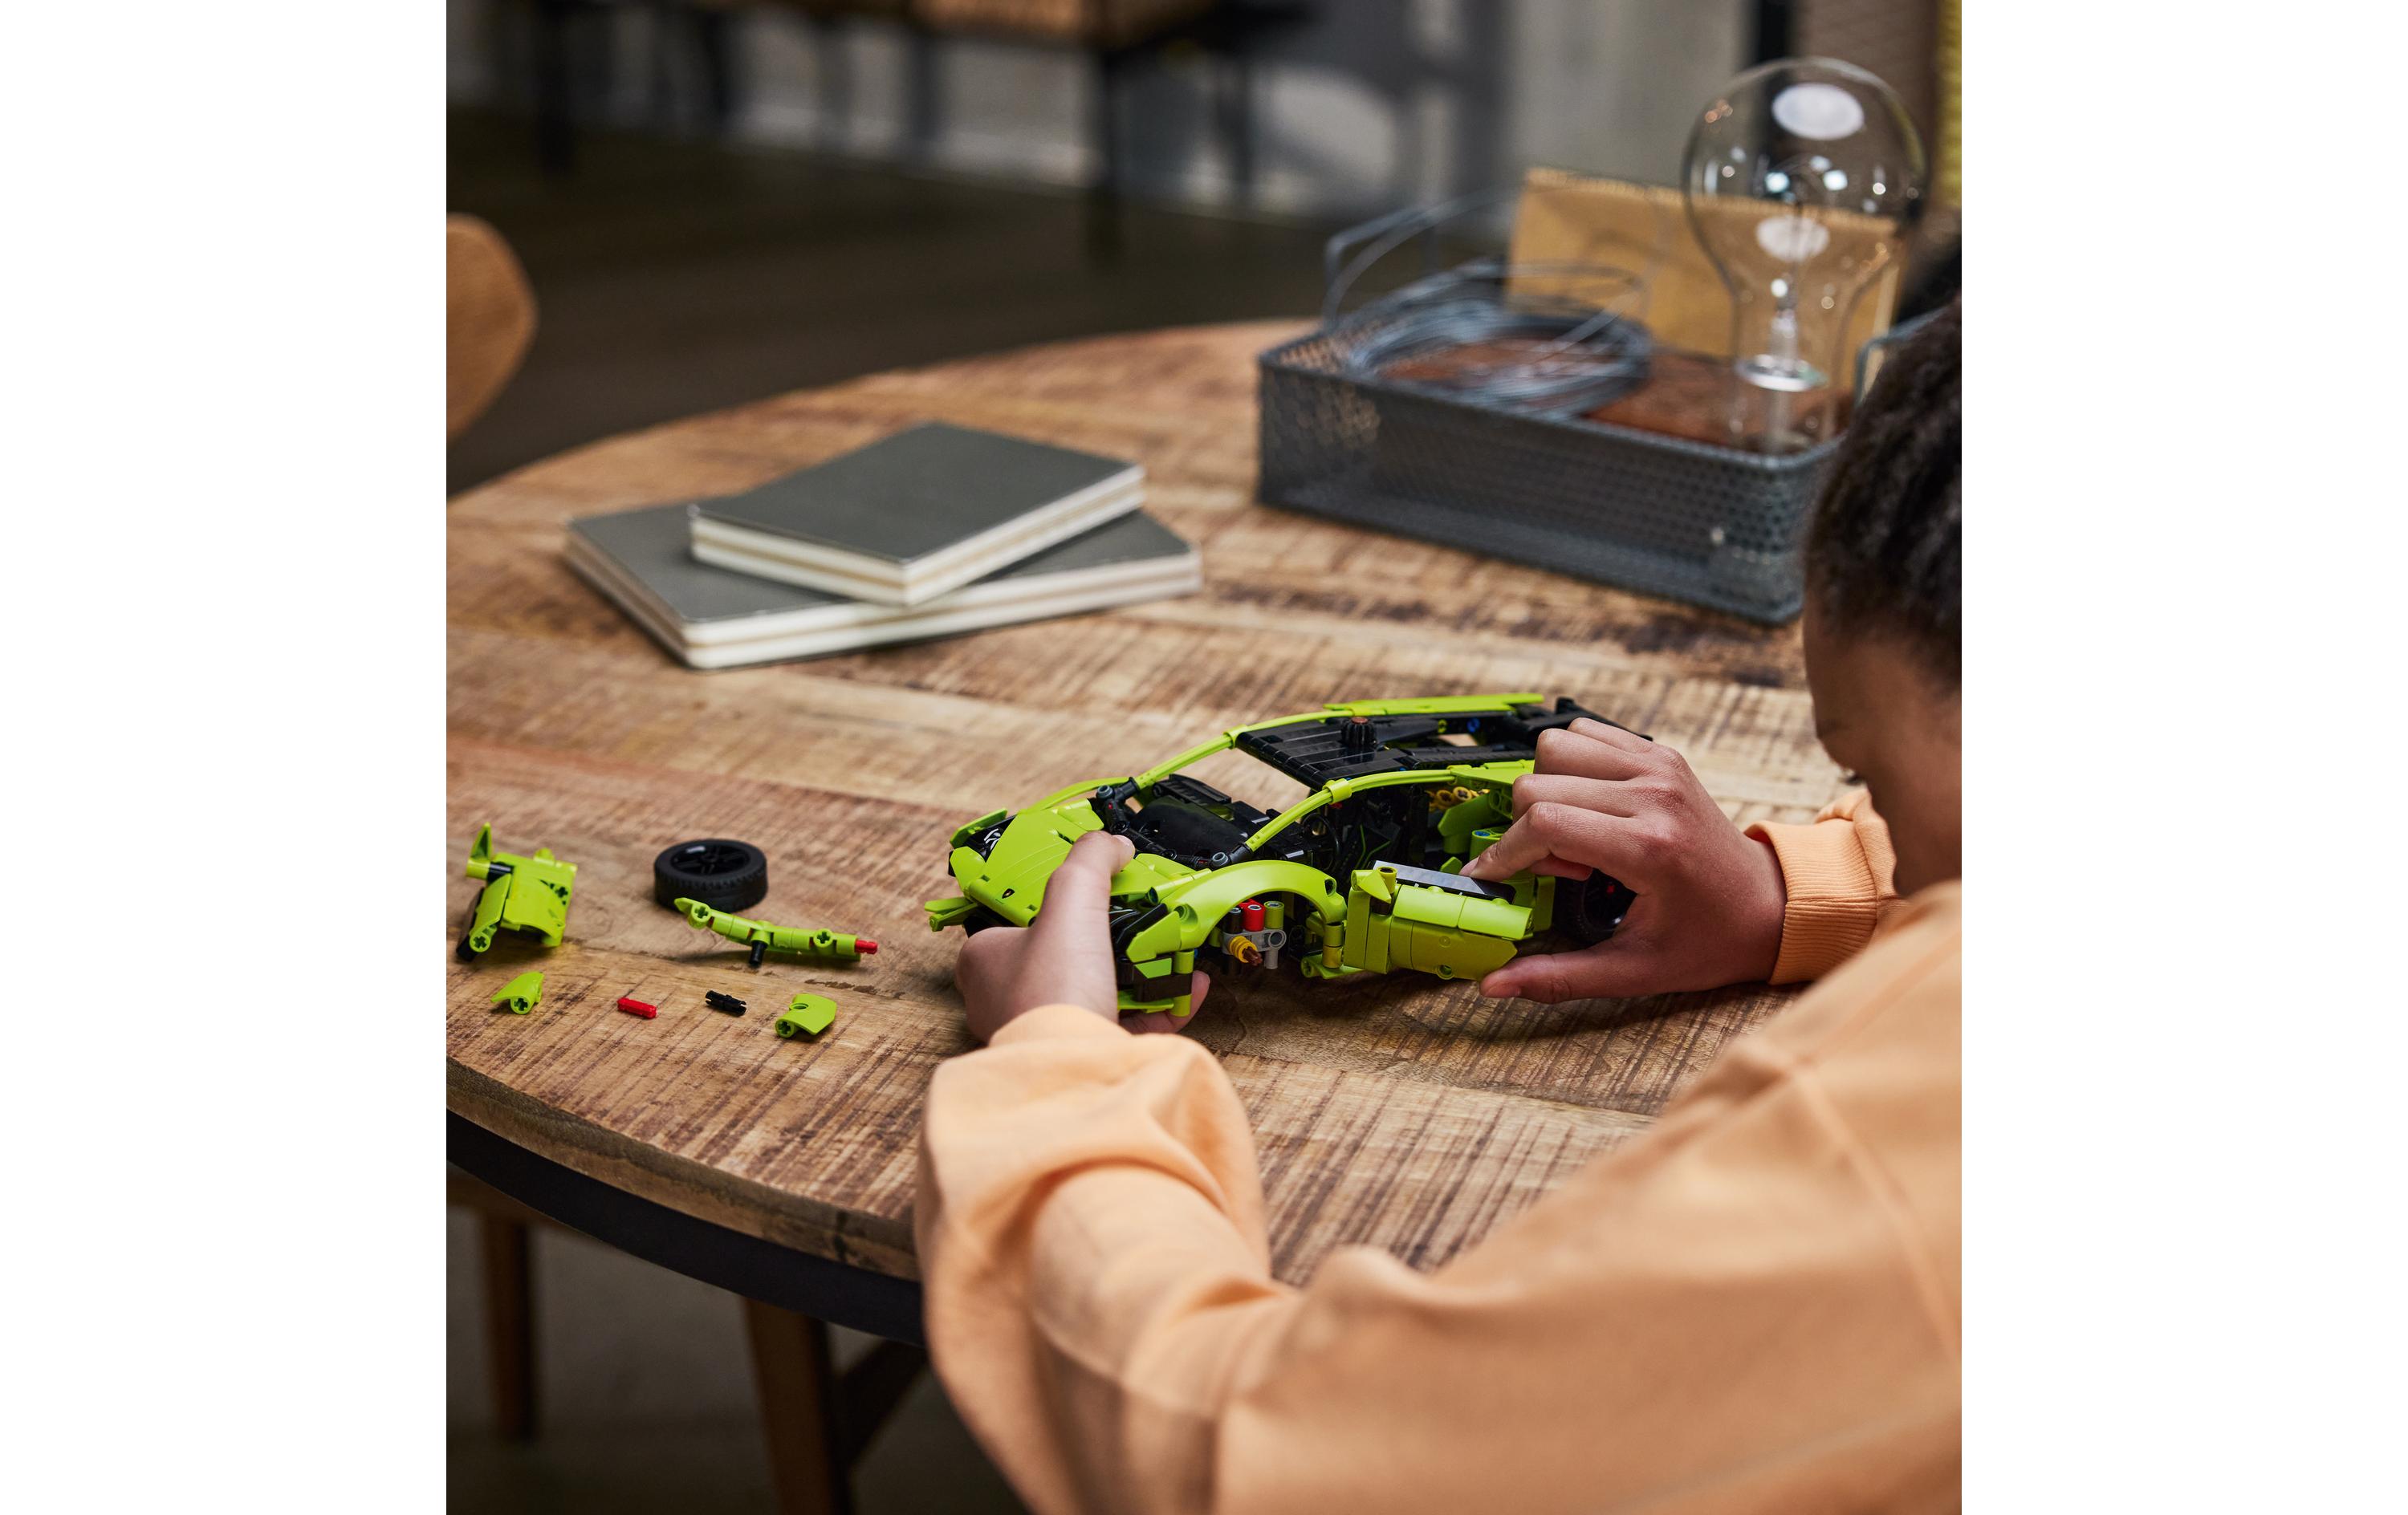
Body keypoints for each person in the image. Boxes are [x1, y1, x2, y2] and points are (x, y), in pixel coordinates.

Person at [916, 302, 1963, 1514]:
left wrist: (1056, 1067)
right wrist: (1802, 889)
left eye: (1864, 773)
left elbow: (1236, 1459)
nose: (1883, 832)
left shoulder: (1887, 1143)